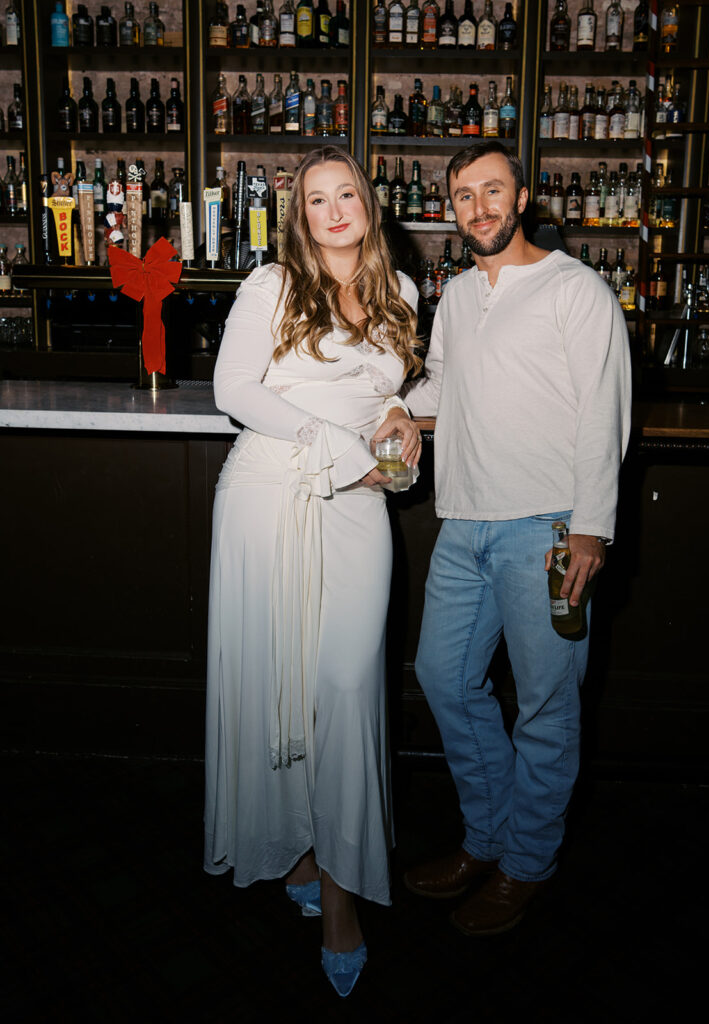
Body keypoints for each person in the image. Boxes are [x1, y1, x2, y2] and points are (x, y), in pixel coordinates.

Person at [204, 146, 422, 995]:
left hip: (360, 512)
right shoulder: (271, 286)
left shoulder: (402, 293)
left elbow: (393, 387)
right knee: (281, 688)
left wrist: (402, 411)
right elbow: (235, 389)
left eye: (347, 195)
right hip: (271, 498)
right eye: (316, 200)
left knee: (341, 687)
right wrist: (343, 452)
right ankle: (296, 853)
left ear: (369, 204)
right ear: (298, 216)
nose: (334, 211)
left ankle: (341, 890)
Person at [402, 141, 632, 936]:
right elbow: (440, 381)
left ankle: (526, 862)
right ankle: (488, 838)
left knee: (544, 706)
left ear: (523, 196)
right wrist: (402, 408)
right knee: (443, 677)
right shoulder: (459, 297)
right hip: (462, 523)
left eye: (492, 191)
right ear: (453, 210)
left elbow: (604, 411)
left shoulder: (576, 289)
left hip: (549, 529)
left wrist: (593, 531)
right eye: (464, 197)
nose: (480, 208)